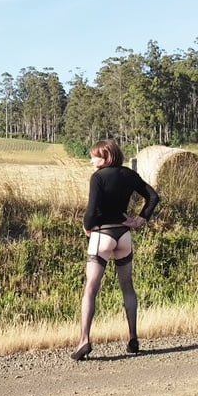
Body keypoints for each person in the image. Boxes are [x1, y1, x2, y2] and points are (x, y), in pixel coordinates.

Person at [72, 139, 160, 360]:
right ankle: (132, 338)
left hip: (102, 233)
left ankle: (84, 340)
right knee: (127, 287)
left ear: (106, 157)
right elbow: (153, 196)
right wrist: (141, 218)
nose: (91, 159)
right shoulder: (129, 175)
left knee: (91, 289)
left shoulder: (98, 178)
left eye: (95, 156)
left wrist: (86, 227)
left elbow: (92, 211)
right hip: (124, 235)